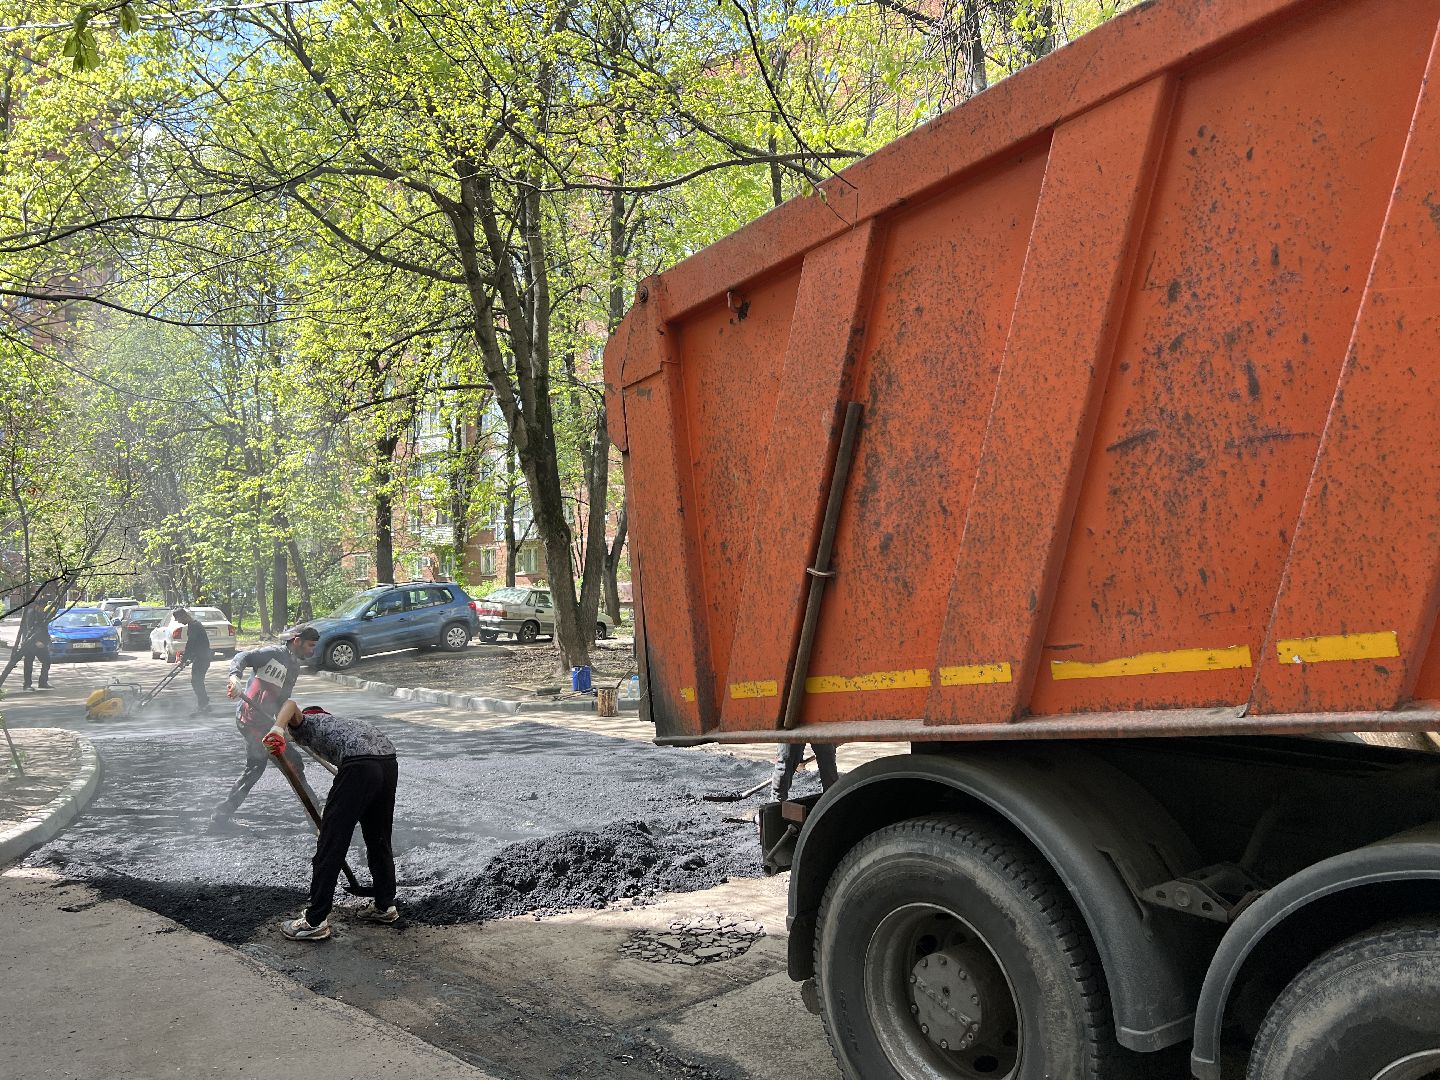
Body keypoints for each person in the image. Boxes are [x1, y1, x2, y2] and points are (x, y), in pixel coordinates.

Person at [261, 701, 399, 940]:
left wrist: (277, 729)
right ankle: (385, 906)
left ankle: (315, 920)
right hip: (387, 760)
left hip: (359, 763)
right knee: (378, 837)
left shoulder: (307, 722)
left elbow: (290, 704)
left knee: (330, 843)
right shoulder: (338, 724)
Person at [211, 626, 319, 822]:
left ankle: (220, 816)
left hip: (264, 722)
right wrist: (234, 677)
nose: (312, 650)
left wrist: (282, 726)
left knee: (258, 768)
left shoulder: (293, 668)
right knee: (291, 763)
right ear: (297, 641)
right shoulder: (273, 654)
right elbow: (242, 657)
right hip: (250, 721)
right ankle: (316, 815)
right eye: (310, 645)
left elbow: (281, 700)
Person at [1, 599, 52, 691]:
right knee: (28, 664)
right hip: (30, 644)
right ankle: (27, 684)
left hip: (41, 644)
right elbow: (28, 629)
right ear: (37, 606)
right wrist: (36, 641)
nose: (42, 609)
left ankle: (43, 682)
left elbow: (44, 629)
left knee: (47, 661)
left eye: (43, 607)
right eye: (41, 607)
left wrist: (46, 641)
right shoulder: (30, 614)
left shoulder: (42, 614)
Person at [770, 741, 840, 802]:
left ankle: (832, 801)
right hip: (792, 728)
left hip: (819, 726)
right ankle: (776, 804)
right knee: (785, 763)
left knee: (827, 760)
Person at [171, 608, 211, 713]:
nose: (179, 622)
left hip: (203, 658)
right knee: (197, 681)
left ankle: (204, 704)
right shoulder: (194, 625)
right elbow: (196, 644)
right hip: (201, 656)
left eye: (179, 619)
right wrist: (189, 658)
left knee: (196, 681)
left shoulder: (194, 626)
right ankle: (204, 702)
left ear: (184, 616)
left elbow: (191, 644)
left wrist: (183, 660)